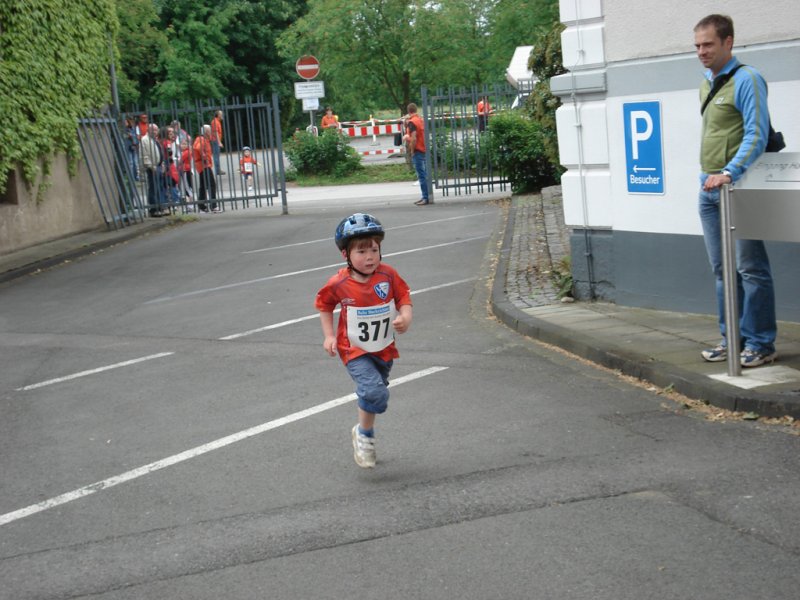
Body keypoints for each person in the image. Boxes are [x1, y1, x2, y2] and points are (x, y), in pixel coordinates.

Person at [694, 14, 777, 368]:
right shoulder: (706, 82)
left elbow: (756, 134)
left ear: (728, 42)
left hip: (736, 188)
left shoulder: (748, 79)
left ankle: (760, 343)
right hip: (708, 189)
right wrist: (710, 176)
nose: (701, 51)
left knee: (750, 269)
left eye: (708, 44)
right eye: (697, 45)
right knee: (722, 270)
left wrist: (730, 172)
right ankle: (733, 340)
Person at [315, 213, 413, 468]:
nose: (369, 256)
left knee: (374, 395)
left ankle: (363, 433)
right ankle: (365, 435)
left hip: (383, 348)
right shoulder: (339, 282)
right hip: (354, 349)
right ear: (345, 255)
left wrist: (406, 315)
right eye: (361, 251)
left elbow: (403, 296)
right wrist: (328, 336)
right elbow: (324, 305)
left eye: (374, 250)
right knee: (373, 392)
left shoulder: (388, 275)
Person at [139, 123, 167, 217]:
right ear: (148, 130)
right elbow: (144, 155)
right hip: (152, 167)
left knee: (160, 187)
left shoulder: (154, 140)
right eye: (153, 130)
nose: (155, 132)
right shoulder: (145, 140)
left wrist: (162, 164)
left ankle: (160, 207)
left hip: (158, 166)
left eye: (156, 130)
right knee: (153, 188)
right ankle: (153, 209)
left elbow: (159, 152)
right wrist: (151, 166)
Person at [405, 103, 430, 206]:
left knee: (421, 176)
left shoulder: (412, 122)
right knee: (424, 174)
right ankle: (425, 196)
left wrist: (408, 140)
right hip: (423, 148)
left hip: (417, 150)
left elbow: (414, 138)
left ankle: (425, 198)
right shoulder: (420, 120)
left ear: (408, 111)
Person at [193, 124, 219, 212]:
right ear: (207, 132)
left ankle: (201, 205)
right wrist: (204, 157)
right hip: (204, 165)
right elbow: (198, 148)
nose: (211, 132)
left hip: (201, 165)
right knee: (211, 185)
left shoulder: (201, 139)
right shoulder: (202, 140)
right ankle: (213, 205)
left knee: (203, 186)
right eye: (210, 130)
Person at [179, 139, 194, 209]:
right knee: (187, 187)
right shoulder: (185, 152)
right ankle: (189, 203)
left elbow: (180, 160)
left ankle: (190, 204)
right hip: (185, 170)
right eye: (182, 144)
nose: (183, 145)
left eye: (185, 144)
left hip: (186, 170)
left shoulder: (186, 152)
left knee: (188, 187)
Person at [211, 110, 225, 175]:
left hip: (216, 140)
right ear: (218, 115)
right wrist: (219, 142)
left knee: (217, 155)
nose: (222, 115)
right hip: (215, 140)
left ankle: (218, 169)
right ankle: (217, 170)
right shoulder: (215, 122)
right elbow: (215, 132)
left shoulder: (217, 121)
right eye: (221, 114)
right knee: (216, 155)